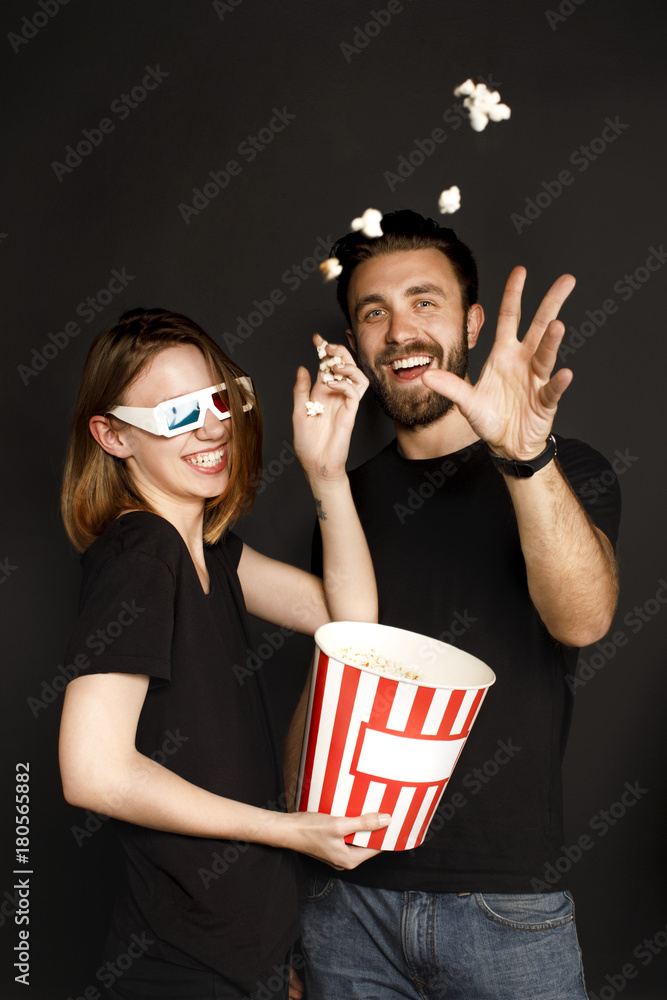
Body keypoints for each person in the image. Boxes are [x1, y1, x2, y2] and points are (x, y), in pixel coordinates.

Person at [296, 211, 621, 1000]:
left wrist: (522, 456)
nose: (399, 331)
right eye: (373, 312)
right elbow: (326, 689)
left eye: (424, 302)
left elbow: (581, 619)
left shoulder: (563, 468)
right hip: (348, 904)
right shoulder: (345, 492)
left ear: (473, 323)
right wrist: (294, 889)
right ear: (353, 341)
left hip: (504, 905)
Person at [58, 308, 392, 1000]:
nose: (212, 427)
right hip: (181, 972)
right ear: (112, 435)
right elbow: (91, 771)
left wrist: (325, 471)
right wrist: (292, 831)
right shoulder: (140, 555)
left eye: (216, 399)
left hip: (245, 965)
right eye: (176, 412)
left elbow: (351, 624)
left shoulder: (208, 553)